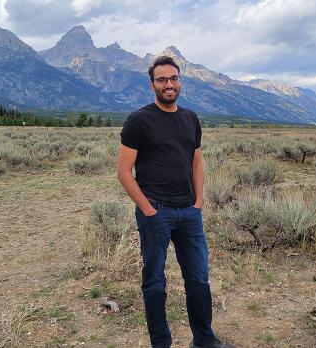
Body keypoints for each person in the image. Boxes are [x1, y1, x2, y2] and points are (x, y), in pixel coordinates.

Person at [117, 56, 234, 348]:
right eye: (162, 80)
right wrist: (147, 209)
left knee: (198, 278)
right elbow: (123, 172)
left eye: (174, 79)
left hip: (189, 213)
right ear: (152, 85)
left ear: (180, 81)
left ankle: (204, 340)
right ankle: (161, 344)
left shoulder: (190, 118)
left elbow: (196, 160)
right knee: (155, 282)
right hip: (156, 211)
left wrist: (199, 201)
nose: (169, 84)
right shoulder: (139, 121)